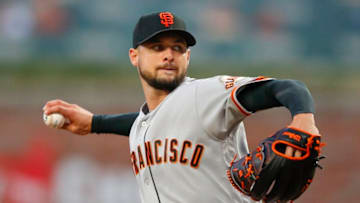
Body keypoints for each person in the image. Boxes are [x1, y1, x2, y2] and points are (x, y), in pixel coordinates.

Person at [43, 12, 321, 203]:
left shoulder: (206, 94)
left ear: (187, 57)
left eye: (177, 48)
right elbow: (147, 122)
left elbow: (288, 88)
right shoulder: (145, 121)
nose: (168, 55)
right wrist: (95, 123)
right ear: (134, 56)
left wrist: (303, 120)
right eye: (157, 46)